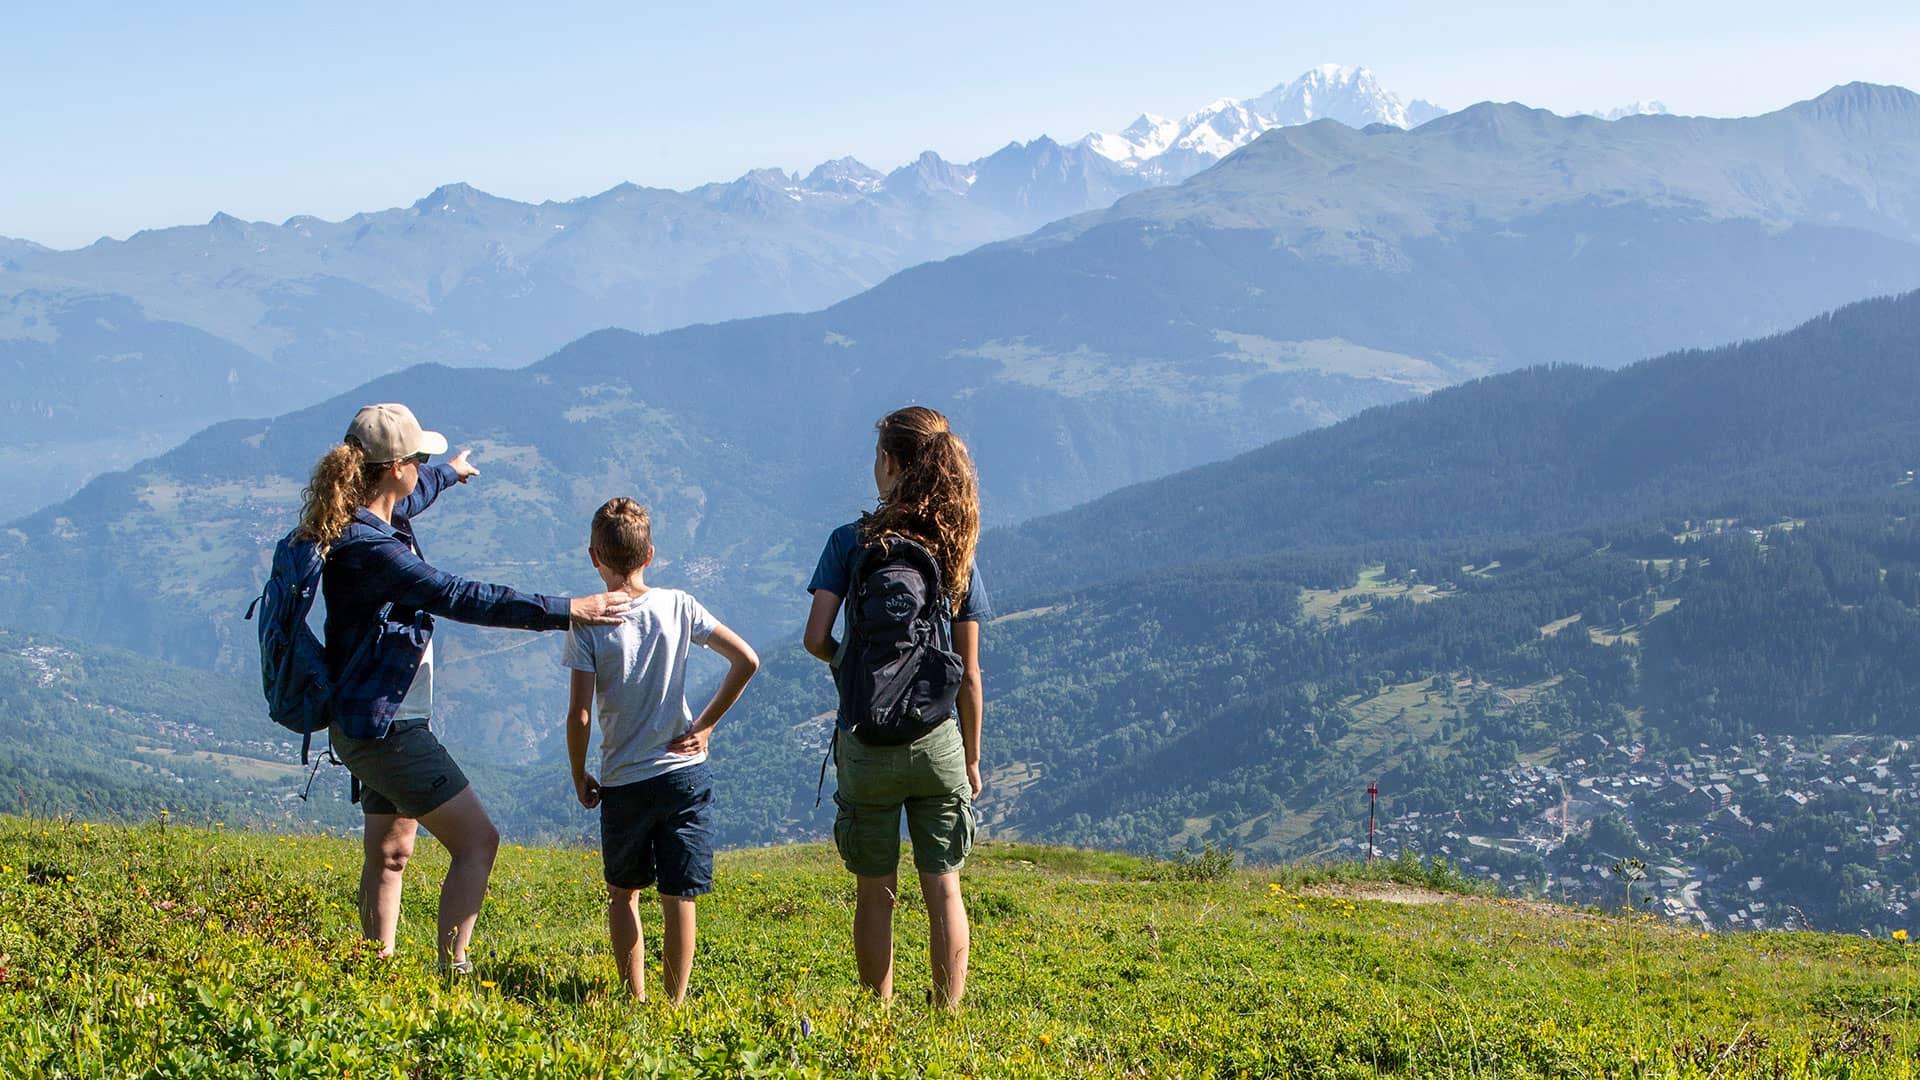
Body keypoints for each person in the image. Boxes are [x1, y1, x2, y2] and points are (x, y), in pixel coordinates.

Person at [298, 403, 632, 975]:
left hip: (369, 718)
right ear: (394, 465)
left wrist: (449, 472)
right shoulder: (370, 549)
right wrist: (568, 610)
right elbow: (459, 595)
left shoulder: (371, 514)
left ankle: (375, 970)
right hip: (387, 728)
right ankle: (453, 973)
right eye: (419, 458)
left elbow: (417, 490)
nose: (422, 466)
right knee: (478, 841)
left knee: (390, 852)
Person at [802, 405, 990, 1009]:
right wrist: (973, 759)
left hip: (865, 737)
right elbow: (970, 676)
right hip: (937, 739)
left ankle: (876, 1020)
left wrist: (849, 667)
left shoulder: (847, 542)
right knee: (944, 889)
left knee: (874, 890)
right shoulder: (956, 551)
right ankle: (945, 1019)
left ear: (888, 462)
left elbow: (814, 638)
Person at [563, 497, 759, 1005]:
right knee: (679, 896)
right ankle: (673, 1004)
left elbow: (581, 714)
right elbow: (746, 660)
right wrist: (707, 725)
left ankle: (635, 997)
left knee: (623, 893)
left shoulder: (588, 622)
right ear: (650, 553)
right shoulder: (679, 605)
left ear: (593, 557)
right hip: (683, 774)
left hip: (623, 777)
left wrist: (579, 770)